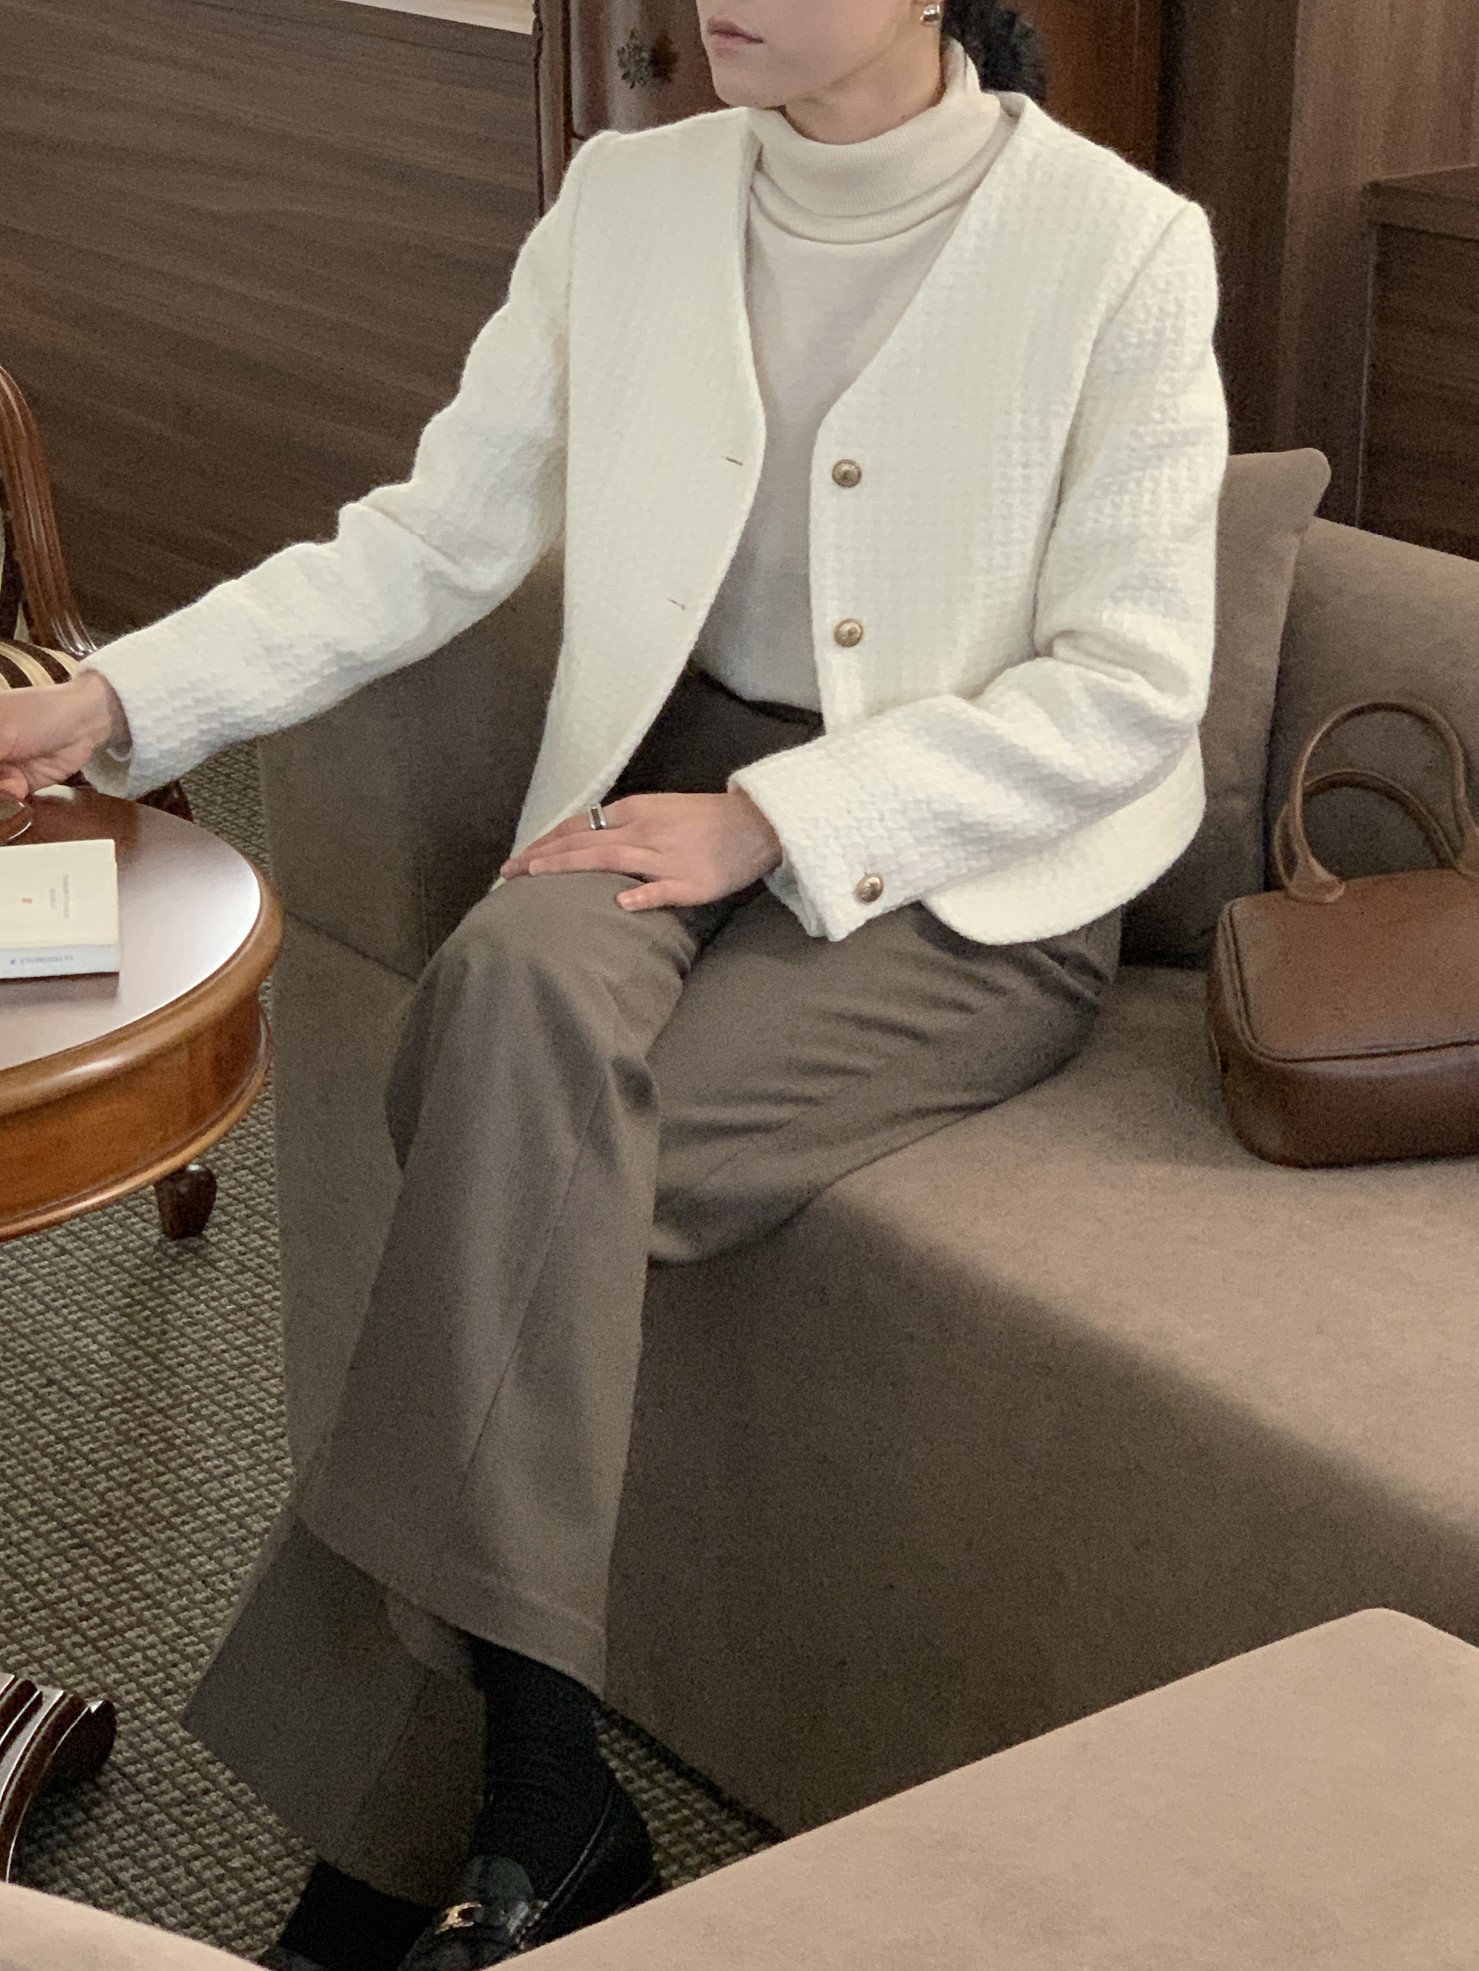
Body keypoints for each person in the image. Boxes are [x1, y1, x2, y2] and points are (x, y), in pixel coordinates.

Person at [0, 1, 1229, 1965]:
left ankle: (439, 1826)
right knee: (504, 999)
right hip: (657, 789)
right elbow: (428, 543)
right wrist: (116, 697)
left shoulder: (1120, 245)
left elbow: (1129, 687)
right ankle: (548, 1802)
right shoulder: (626, 199)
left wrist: (775, 820)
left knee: (516, 1163)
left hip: (964, 865)